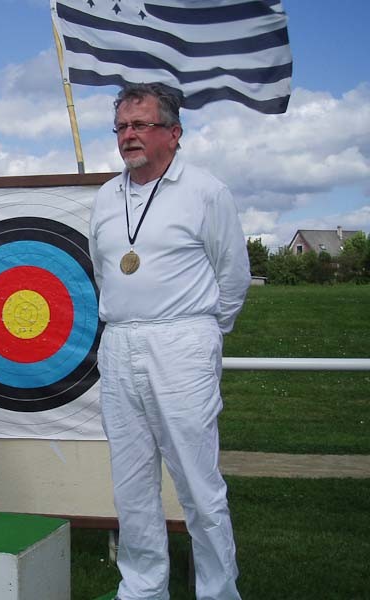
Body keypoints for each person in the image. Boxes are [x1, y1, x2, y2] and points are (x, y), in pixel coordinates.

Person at [89, 83, 251, 599]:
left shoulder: (206, 191)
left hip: (181, 343)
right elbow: (104, 273)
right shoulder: (106, 197)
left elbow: (233, 278)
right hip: (119, 345)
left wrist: (201, 333)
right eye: (121, 127)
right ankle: (141, 589)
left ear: (174, 133)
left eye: (141, 125)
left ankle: (218, 591)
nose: (129, 135)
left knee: (198, 485)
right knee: (132, 484)